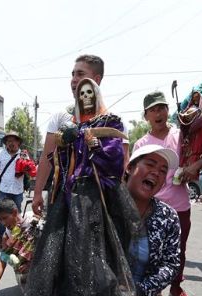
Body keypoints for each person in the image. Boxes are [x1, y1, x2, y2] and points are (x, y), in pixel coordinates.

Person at [5, 78, 141, 296]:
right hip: (67, 206)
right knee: (62, 280)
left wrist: (93, 143)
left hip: (96, 210)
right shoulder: (69, 125)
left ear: (98, 93)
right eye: (81, 93)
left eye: (90, 91)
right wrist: (68, 144)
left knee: (97, 281)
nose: (86, 97)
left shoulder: (110, 122)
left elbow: (115, 163)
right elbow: (57, 164)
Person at [36, 144, 183, 296]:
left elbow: (171, 262)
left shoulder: (167, 217)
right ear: (130, 168)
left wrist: (140, 292)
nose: (156, 173)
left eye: (163, 170)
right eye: (150, 164)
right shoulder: (101, 205)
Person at [132, 91, 202, 296]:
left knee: (178, 250)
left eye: (161, 107)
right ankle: (151, 285)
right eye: (153, 109)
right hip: (150, 207)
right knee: (147, 248)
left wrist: (194, 166)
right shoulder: (142, 144)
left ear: (168, 111)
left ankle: (176, 288)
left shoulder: (183, 135)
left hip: (179, 206)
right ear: (146, 116)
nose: (158, 112)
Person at [31, 54, 130, 217]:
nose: (74, 79)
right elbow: (46, 159)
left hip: (100, 206)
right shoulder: (59, 118)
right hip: (63, 203)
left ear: (96, 80)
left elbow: (123, 167)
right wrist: (37, 194)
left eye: (80, 74)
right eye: (73, 74)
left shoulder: (114, 123)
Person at [0, 199, 41, 296]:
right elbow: (3, 259)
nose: (3, 223)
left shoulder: (34, 219)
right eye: (0, 220)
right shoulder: (8, 233)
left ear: (14, 212)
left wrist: (32, 263)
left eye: (4, 218)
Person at [0, 132, 26, 247]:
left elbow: (29, 170)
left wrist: (25, 167)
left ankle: (16, 239)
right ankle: (2, 239)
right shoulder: (0, 154)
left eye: (13, 141)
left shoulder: (23, 154)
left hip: (17, 190)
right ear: (5, 143)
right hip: (3, 189)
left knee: (16, 216)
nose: (10, 143)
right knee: (2, 215)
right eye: (8, 141)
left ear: (18, 142)